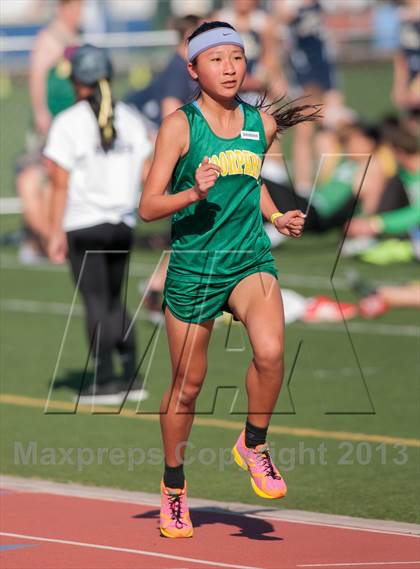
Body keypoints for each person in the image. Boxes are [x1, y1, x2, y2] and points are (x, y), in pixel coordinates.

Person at [139, 21, 320, 538]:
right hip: (195, 268)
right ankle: (174, 488)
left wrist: (274, 215)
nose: (229, 67)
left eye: (237, 57)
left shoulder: (261, 123)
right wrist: (192, 193)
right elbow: (149, 206)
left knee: (270, 352)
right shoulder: (179, 125)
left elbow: (250, 178)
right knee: (187, 387)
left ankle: (253, 444)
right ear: (194, 69)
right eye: (216, 59)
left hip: (249, 260)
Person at [44, 45, 152, 405]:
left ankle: (105, 379)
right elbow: (148, 169)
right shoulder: (131, 119)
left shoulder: (68, 122)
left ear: (78, 81)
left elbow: (58, 182)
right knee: (114, 299)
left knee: (95, 301)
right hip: (122, 222)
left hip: (84, 223)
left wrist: (53, 231)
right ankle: (131, 376)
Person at [17, 0, 83, 264]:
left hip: (73, 124)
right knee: (42, 179)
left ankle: (57, 237)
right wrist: (40, 111)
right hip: (53, 125)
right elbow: (37, 76)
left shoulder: (76, 36)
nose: (79, 13)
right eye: (76, 8)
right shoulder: (50, 38)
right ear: (63, 8)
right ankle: (37, 240)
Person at [275, 0, 345, 196]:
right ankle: (303, 188)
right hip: (303, 67)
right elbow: (280, 23)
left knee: (331, 125)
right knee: (305, 129)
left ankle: (327, 183)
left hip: (324, 64)